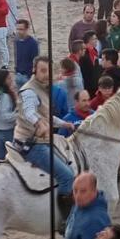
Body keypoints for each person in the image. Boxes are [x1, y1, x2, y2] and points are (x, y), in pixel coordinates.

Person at [15, 57, 76, 210]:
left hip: (41, 139)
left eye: (49, 71)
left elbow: (46, 115)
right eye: (42, 71)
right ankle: (65, 218)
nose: (46, 74)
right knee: (67, 177)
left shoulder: (43, 88)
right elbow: (29, 112)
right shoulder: (29, 91)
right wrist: (39, 123)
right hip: (33, 144)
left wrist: (64, 124)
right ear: (34, 70)